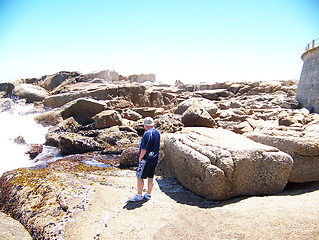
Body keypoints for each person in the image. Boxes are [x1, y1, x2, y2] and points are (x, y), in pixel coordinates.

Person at [129, 117, 161, 201]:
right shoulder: (157, 133)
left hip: (146, 159)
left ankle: (139, 195)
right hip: (154, 158)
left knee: (140, 177)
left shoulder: (147, 134)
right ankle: (148, 194)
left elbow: (144, 149)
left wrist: (140, 158)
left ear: (146, 125)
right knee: (150, 177)